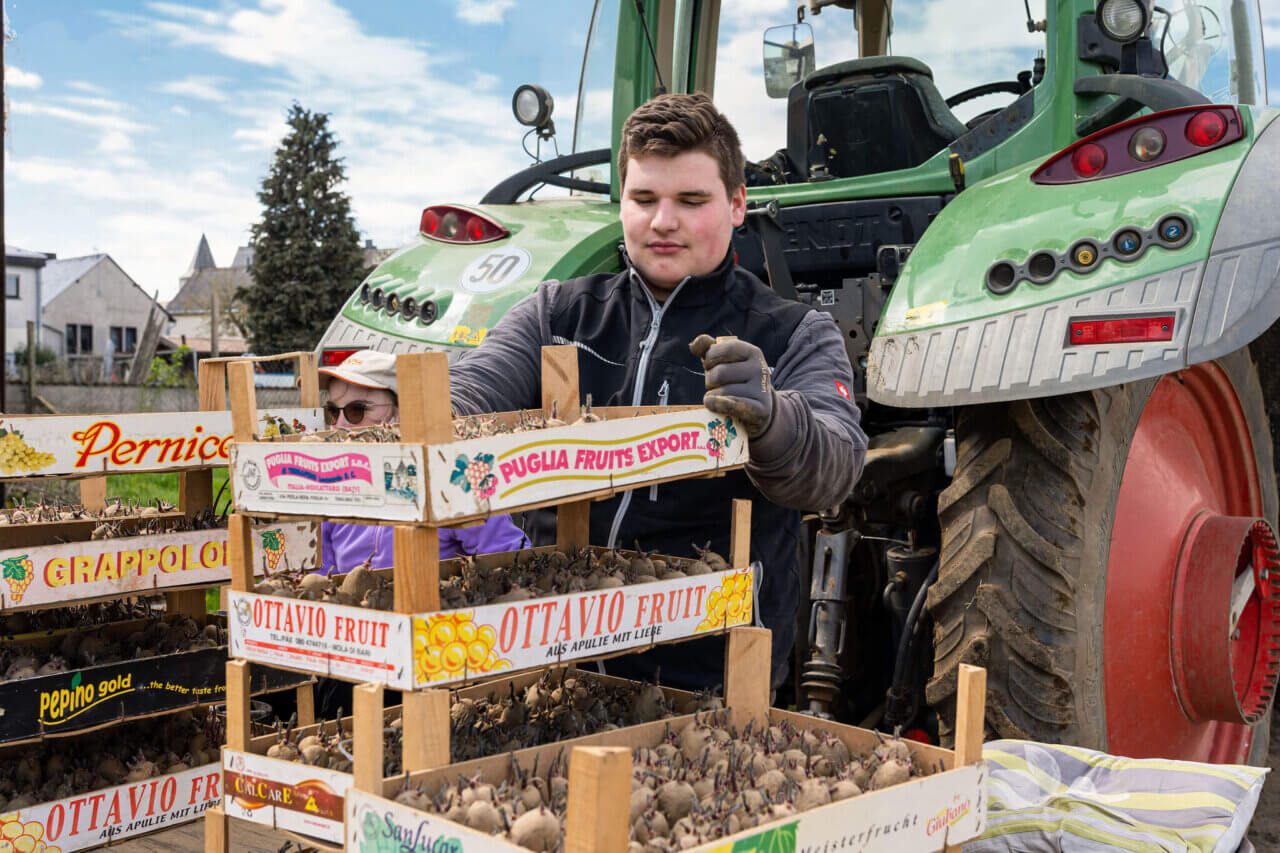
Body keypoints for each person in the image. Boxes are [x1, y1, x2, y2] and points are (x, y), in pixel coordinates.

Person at [445, 93, 867, 691]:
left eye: (691, 201)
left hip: (710, 677)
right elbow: (477, 384)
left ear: (738, 204)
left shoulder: (794, 332)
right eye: (644, 200)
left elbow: (837, 468)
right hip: (547, 662)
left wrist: (775, 418)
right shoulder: (558, 314)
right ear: (622, 203)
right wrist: (423, 413)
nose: (663, 222)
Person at [317, 349, 529, 573]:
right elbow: (320, 567)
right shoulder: (335, 484)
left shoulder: (452, 479)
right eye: (332, 411)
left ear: (405, 410)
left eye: (357, 410)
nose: (339, 424)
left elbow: (505, 555)